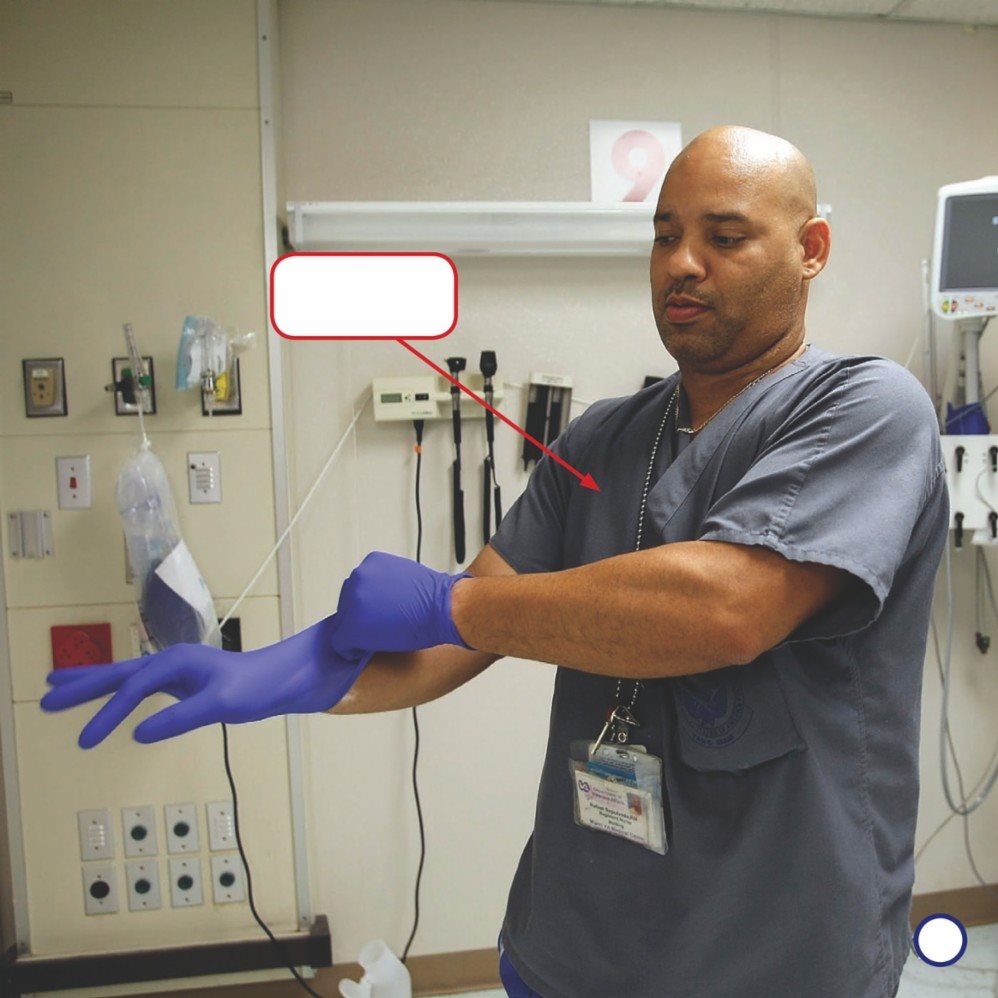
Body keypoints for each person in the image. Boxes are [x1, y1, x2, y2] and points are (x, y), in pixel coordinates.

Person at [42, 125, 948, 998]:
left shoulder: (866, 407)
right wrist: (272, 673)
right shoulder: (606, 434)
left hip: (766, 948)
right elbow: (467, 623)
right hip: (573, 941)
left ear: (811, 247)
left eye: (725, 236)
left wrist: (454, 606)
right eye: (665, 235)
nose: (681, 263)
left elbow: (726, 608)